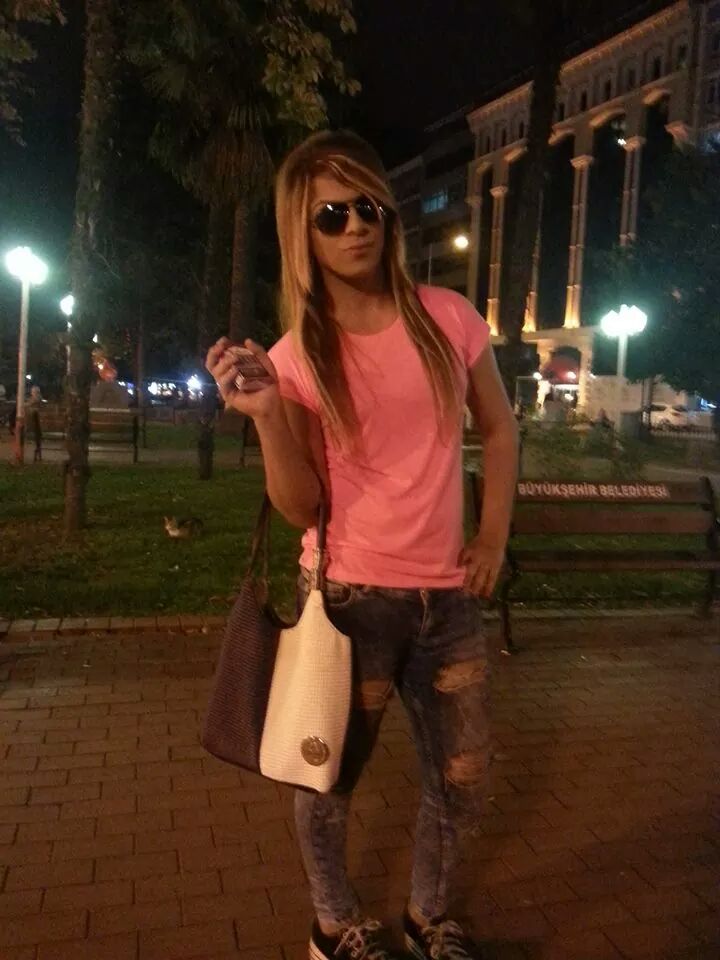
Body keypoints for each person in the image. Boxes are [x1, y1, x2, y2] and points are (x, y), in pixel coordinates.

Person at [206, 131, 518, 960]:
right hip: (351, 602)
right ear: (302, 235)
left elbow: (499, 427)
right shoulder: (296, 356)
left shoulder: (448, 318)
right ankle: (334, 924)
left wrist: (492, 532)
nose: (355, 226)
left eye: (368, 207)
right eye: (331, 215)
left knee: (463, 777)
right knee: (327, 777)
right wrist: (268, 416)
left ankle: (427, 917)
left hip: (448, 601)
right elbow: (301, 505)